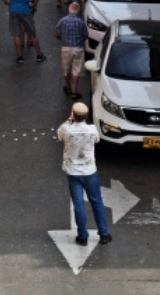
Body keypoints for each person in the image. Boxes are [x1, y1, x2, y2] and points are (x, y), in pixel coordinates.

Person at [57, 103, 112, 247]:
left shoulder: (66, 129)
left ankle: (82, 236)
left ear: (73, 114)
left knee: (78, 204)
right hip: (89, 171)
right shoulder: (92, 129)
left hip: (73, 171)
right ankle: (104, 233)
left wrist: (69, 119)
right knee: (97, 202)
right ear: (86, 115)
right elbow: (97, 140)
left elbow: (59, 135)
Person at [54, 2, 88, 100]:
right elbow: (86, 36)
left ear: (69, 9)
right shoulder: (80, 22)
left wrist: (63, 39)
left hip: (65, 48)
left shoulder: (62, 21)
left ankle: (68, 87)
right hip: (78, 48)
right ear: (77, 11)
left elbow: (56, 34)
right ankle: (74, 92)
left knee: (66, 69)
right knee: (76, 71)